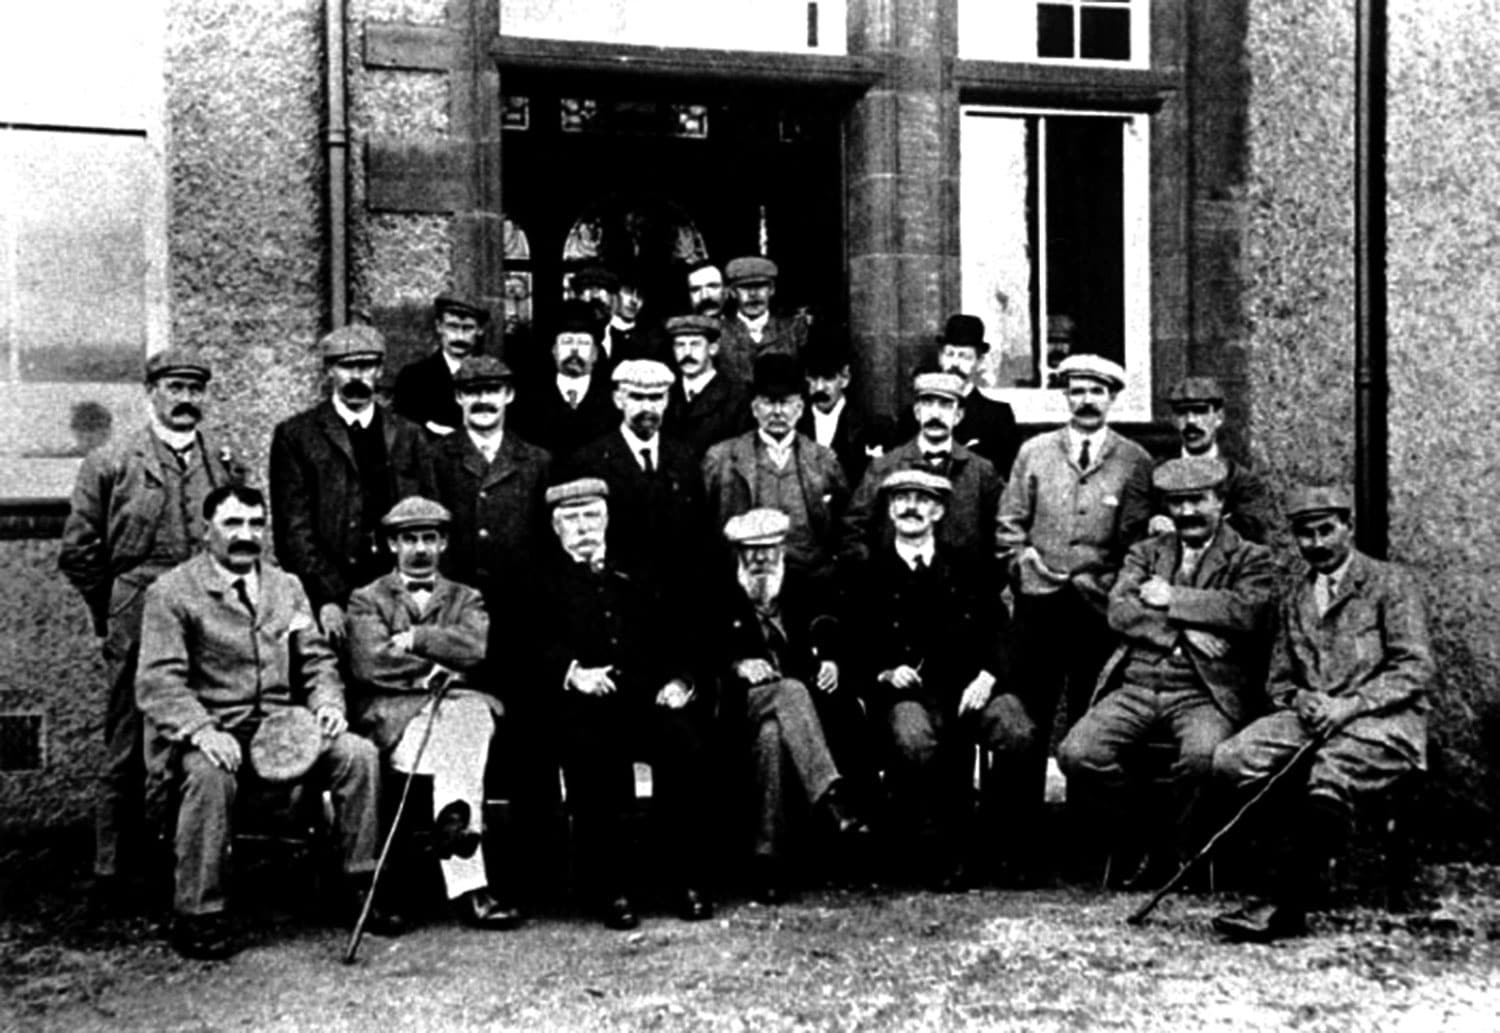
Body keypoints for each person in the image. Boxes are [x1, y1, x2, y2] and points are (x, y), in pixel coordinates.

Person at [135, 484, 392, 960]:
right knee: (209, 776)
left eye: (256, 524)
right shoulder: (171, 592)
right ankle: (199, 911)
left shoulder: (285, 586)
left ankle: (360, 885)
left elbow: (316, 660)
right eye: (233, 523)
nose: (246, 535)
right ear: (206, 530)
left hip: (280, 730)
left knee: (357, 755)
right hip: (214, 728)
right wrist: (202, 731)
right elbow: (159, 681)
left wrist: (327, 705)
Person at [59, 348, 244, 907]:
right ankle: (113, 868)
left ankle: (189, 860)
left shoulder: (223, 462)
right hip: (137, 607)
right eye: (174, 388)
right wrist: (114, 610)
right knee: (126, 736)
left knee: (202, 723)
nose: (186, 399)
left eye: (195, 389)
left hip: (206, 610)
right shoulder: (112, 461)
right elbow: (79, 550)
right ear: (151, 392)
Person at [1211, 485, 1435, 942]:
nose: (1316, 543)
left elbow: (1415, 667)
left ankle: (1285, 902)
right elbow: (1279, 681)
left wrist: (1350, 705)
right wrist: (1301, 699)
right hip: (1314, 718)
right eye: (1305, 534)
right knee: (1233, 758)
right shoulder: (1295, 595)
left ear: (1348, 527)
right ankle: (1279, 867)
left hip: (1382, 719)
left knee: (1332, 768)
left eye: (1326, 530)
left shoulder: (1390, 584)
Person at [1058, 456, 1277, 886]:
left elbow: (1247, 611)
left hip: (1203, 692)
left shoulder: (1250, 556)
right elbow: (1120, 611)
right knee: (1078, 754)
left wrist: (1171, 597)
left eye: (1198, 500)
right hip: (1137, 685)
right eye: (1177, 503)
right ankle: (1142, 835)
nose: (1187, 512)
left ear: (1220, 502)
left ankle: (1180, 850)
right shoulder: (1147, 552)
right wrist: (1182, 633)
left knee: (1203, 759)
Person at [536, 478, 715, 928]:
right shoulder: (539, 578)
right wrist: (574, 673)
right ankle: (609, 887)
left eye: (591, 516)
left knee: (685, 745)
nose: (583, 528)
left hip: (644, 699)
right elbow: (526, 642)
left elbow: (680, 632)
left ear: (608, 518)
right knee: (595, 757)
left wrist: (679, 681)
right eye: (572, 519)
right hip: (580, 704)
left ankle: (685, 878)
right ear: (556, 527)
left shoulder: (640, 569)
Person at [847, 470, 1026, 890]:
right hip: (905, 695)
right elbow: (852, 645)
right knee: (915, 739)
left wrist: (988, 676)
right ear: (890, 510)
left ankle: (1004, 847)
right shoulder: (869, 571)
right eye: (901, 499)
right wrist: (885, 672)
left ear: (939, 511)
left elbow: (1001, 630)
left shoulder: (966, 565)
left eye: (922, 499)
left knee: (1016, 728)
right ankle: (938, 850)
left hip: (969, 687)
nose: (911, 507)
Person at [346, 496, 519, 930]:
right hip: (396, 716)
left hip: (456, 708)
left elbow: (474, 647)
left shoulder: (466, 596)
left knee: (470, 723)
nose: (420, 549)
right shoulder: (366, 599)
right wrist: (435, 668)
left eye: (429, 538)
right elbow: (370, 661)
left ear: (443, 543)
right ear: (392, 545)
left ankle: (455, 828)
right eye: (409, 539)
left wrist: (416, 637)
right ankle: (468, 882)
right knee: (461, 747)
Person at [997, 354, 1154, 751]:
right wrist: (1023, 566)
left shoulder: (1135, 460)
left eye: (1096, 392)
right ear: (1066, 396)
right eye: (1077, 391)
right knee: (1027, 714)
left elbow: (1138, 542)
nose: (1086, 400)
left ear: (1112, 398)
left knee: (1091, 718)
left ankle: (1084, 793)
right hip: (1039, 604)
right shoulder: (1035, 452)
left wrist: (1114, 586)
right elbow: (1009, 524)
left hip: (1097, 608)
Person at [715, 508, 872, 902]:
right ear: (738, 554)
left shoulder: (803, 590)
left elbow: (832, 631)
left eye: (768, 549)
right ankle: (831, 798)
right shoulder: (720, 596)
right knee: (789, 691)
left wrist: (831, 660)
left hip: (797, 723)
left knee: (773, 735)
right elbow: (702, 652)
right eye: (750, 551)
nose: (760, 559)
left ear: (782, 550)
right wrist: (737, 665)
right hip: (737, 710)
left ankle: (767, 860)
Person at [269, 323, 435, 648]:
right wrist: (325, 597)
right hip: (332, 592)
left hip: (398, 588)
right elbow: (292, 531)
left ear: (380, 370)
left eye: (367, 366)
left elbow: (429, 514)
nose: (357, 376)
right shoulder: (297, 436)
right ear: (329, 370)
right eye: (347, 366)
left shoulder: (408, 435)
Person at [560, 358, 708, 599]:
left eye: (656, 398)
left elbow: (698, 532)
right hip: (618, 595)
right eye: (637, 398)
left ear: (667, 401)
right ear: (618, 400)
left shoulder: (685, 457)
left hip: (677, 594)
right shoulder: (589, 460)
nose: (647, 407)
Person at [702, 353, 849, 588]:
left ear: (800, 408)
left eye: (786, 403)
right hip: (745, 581)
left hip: (811, 582)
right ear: (754, 408)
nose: (778, 412)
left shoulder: (824, 460)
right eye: (769, 402)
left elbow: (841, 525)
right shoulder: (722, 459)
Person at [842, 371, 1002, 576]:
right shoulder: (884, 467)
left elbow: (1002, 531)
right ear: (917, 412)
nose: (935, 414)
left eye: (945, 405)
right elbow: (853, 528)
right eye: (927, 404)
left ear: (959, 416)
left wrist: (983, 582)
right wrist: (877, 576)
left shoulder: (981, 471)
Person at [1146, 376, 1277, 544]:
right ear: (1173, 419)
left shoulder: (1240, 480)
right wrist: (1152, 523)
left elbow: (1251, 533)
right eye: (1181, 413)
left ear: (1219, 417)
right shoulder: (1151, 475)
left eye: (1200, 411)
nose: (1191, 421)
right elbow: (1131, 529)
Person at [903, 315, 1019, 478]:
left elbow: (1005, 478)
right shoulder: (915, 414)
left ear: (979, 361)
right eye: (950, 354)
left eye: (964, 356)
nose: (955, 363)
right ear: (940, 357)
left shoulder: (998, 417)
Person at [507, 300, 618, 457]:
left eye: (583, 343)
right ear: (554, 350)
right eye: (567, 342)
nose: (574, 350)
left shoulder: (613, 400)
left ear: (595, 353)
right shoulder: (529, 399)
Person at [392, 291, 491, 438]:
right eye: (452, 326)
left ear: (480, 330)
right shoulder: (413, 378)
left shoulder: (494, 378)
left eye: (468, 328)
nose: (460, 336)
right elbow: (404, 435)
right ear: (439, 326)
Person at [796, 337, 886, 486]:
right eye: (813, 378)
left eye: (828, 378)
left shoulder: (868, 428)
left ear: (845, 378)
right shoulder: (795, 425)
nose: (819, 387)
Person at [662, 313, 750, 461]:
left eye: (695, 344)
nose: (687, 353)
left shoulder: (737, 396)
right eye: (680, 345)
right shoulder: (665, 392)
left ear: (713, 349)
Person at [714, 256, 809, 387]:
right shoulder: (719, 332)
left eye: (760, 286)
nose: (753, 294)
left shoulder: (793, 329)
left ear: (772, 289)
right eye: (744, 287)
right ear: (733, 292)